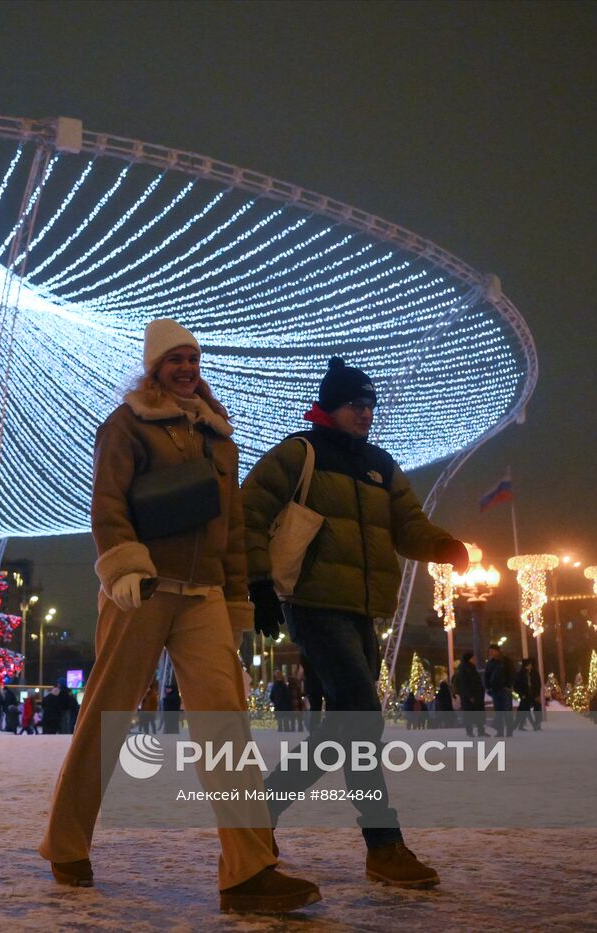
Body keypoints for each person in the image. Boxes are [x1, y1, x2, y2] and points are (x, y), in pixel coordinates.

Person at [40, 319, 319, 913]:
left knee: (226, 723)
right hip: (142, 589)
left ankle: (248, 872)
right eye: (174, 360)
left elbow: (234, 530)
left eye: (193, 357)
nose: (186, 368)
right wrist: (124, 567)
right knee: (108, 716)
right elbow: (109, 503)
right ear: (154, 368)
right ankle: (66, 842)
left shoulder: (221, 438)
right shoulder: (127, 425)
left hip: (205, 594)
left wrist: (240, 596)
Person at [244, 357, 469, 889]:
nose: (365, 413)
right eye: (355, 404)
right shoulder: (300, 453)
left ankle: (257, 817)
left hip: (362, 612)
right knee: (362, 719)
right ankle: (385, 846)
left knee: (339, 729)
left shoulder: (380, 466)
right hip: (316, 606)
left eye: (370, 405)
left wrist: (442, 545)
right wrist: (258, 582)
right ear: (329, 406)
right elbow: (249, 510)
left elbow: (407, 525)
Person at [453, 652, 487, 737]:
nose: (475, 660)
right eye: (473, 658)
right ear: (469, 659)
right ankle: (471, 731)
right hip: (470, 696)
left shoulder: (470, 668)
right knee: (470, 713)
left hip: (474, 695)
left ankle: (480, 730)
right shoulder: (465, 669)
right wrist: (470, 696)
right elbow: (465, 684)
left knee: (476, 713)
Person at [513, 656, 543, 732]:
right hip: (525, 695)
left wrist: (537, 695)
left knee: (536, 708)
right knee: (525, 710)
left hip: (533, 694)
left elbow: (538, 684)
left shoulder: (535, 673)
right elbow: (516, 686)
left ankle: (536, 724)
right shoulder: (521, 674)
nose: (530, 666)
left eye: (531, 664)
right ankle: (529, 725)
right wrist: (521, 694)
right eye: (528, 664)